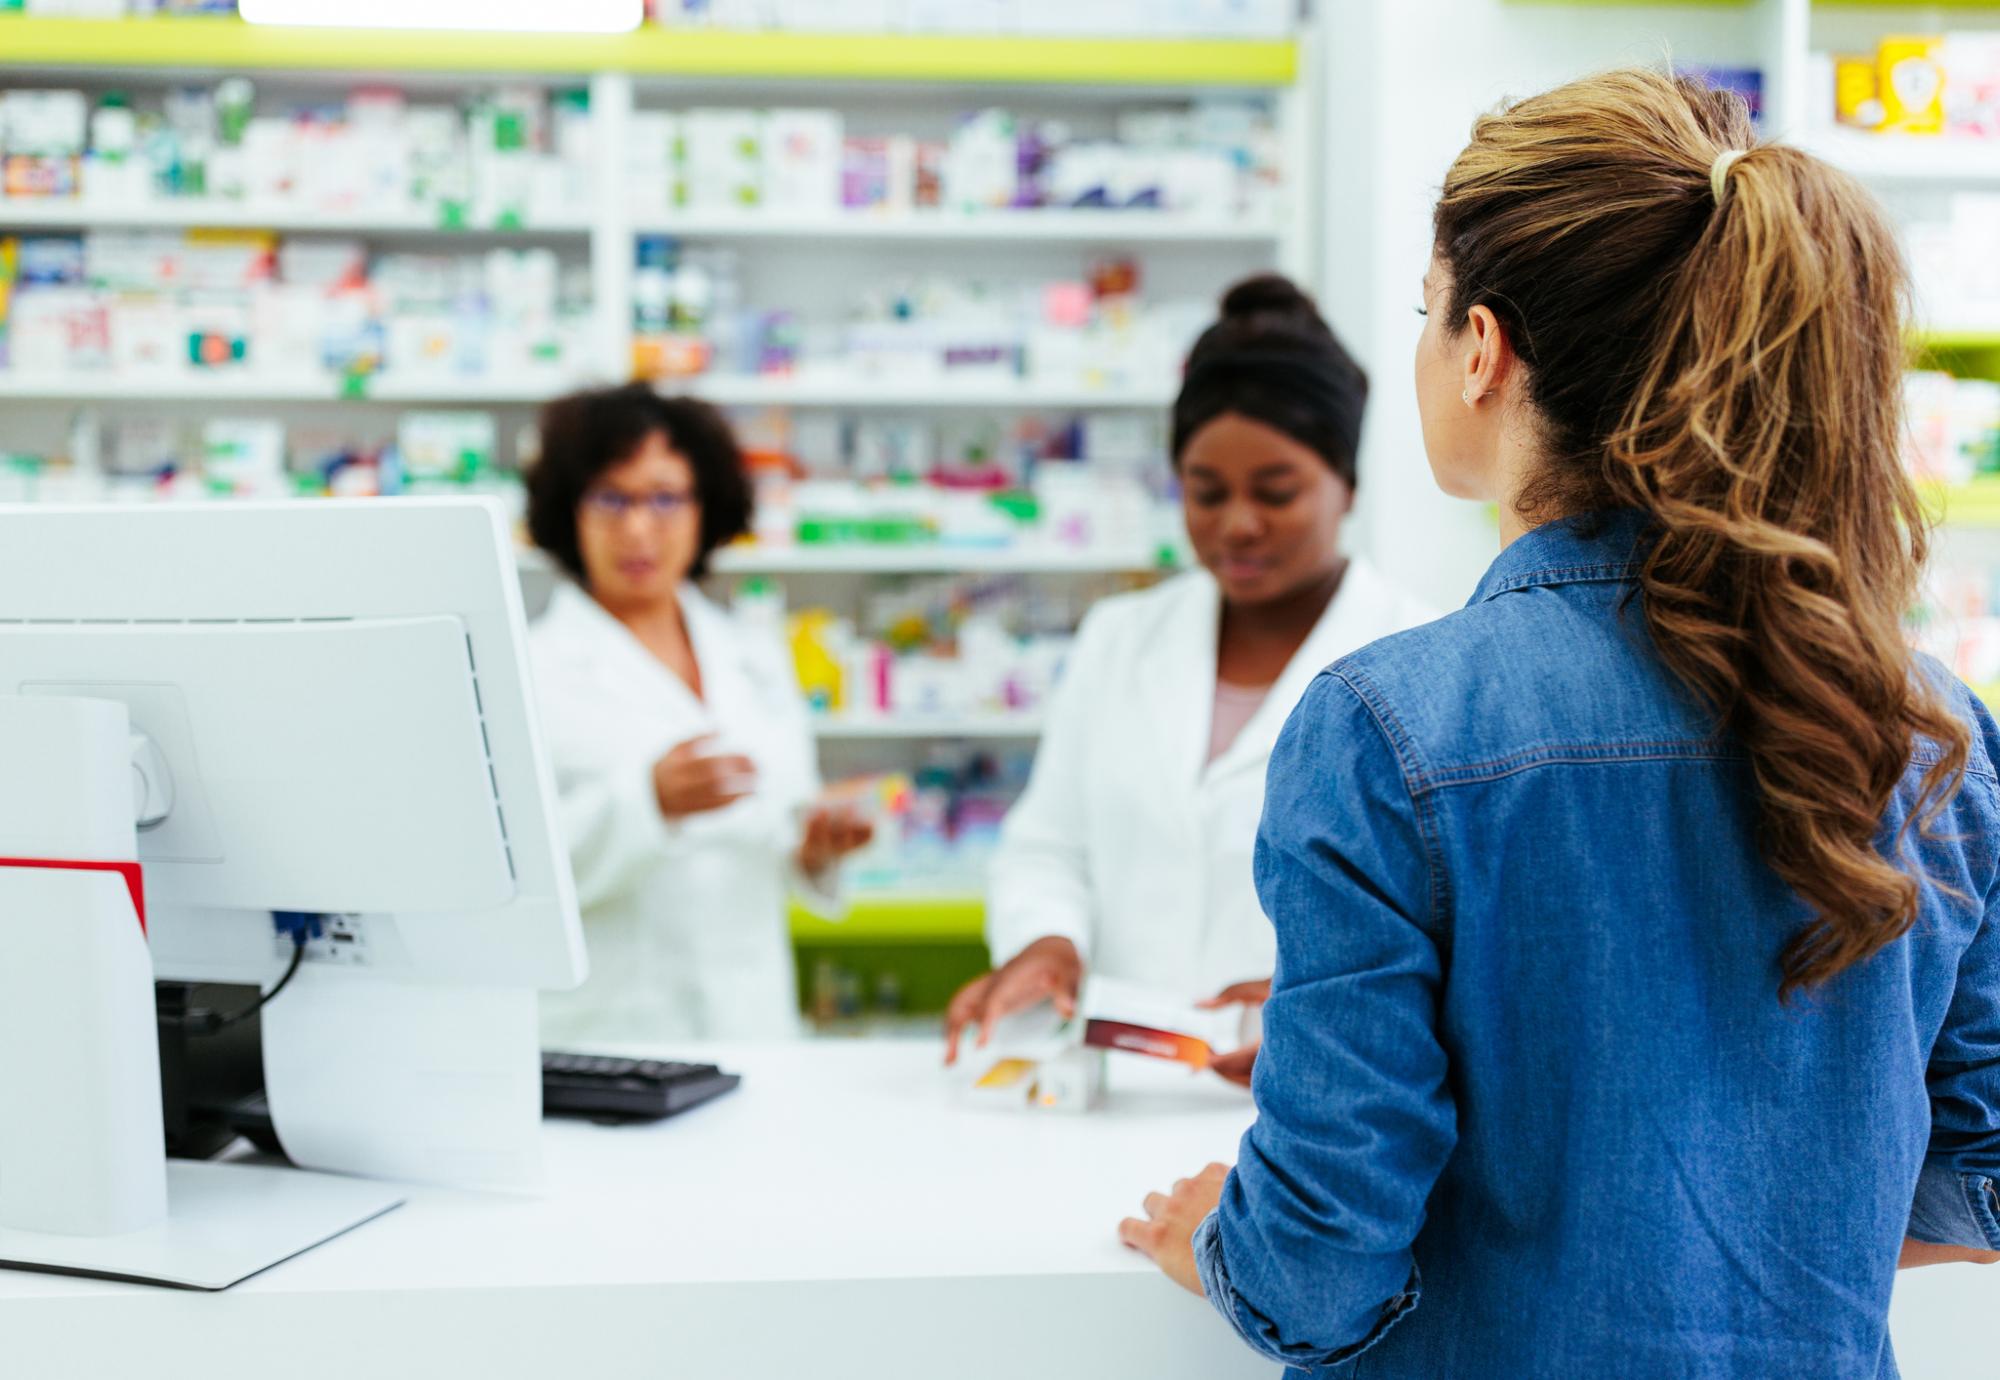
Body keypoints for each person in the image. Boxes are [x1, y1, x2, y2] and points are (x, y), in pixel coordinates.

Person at [1119, 69, 2000, 1376]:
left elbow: (1318, 1268)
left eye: (1428, 314)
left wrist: (1222, 1248)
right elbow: (1975, 1174)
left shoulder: (1387, 729)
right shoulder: (1931, 730)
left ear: (1483, 349)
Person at [944, 275, 1437, 1078]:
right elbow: (1048, 846)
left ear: (1345, 485)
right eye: (1205, 493)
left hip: (1318, 1106)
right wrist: (1045, 943)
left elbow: (1448, 921)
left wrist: (1342, 1004)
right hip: (1114, 1085)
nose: (1236, 523)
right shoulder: (1121, 638)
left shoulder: (1418, 656)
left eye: (1275, 493)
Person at [525, 383, 871, 1044]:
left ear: (704, 506)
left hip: (752, 1020)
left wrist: (816, 846)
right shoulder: (533, 668)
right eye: (611, 498)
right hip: (610, 1026)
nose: (637, 527)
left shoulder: (752, 653)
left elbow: (776, 820)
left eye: (664, 497)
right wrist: (644, 803)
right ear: (568, 510)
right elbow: (512, 878)